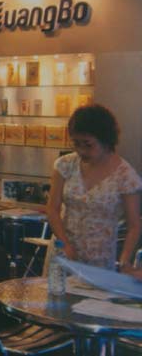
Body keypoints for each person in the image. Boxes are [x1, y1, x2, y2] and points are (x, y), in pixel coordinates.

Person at [46, 104, 142, 271]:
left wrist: (124, 261)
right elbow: (52, 209)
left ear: (105, 140)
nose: (81, 150)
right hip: (63, 252)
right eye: (76, 143)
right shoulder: (65, 165)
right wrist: (65, 244)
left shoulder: (126, 176)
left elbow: (134, 225)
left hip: (99, 259)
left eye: (88, 144)